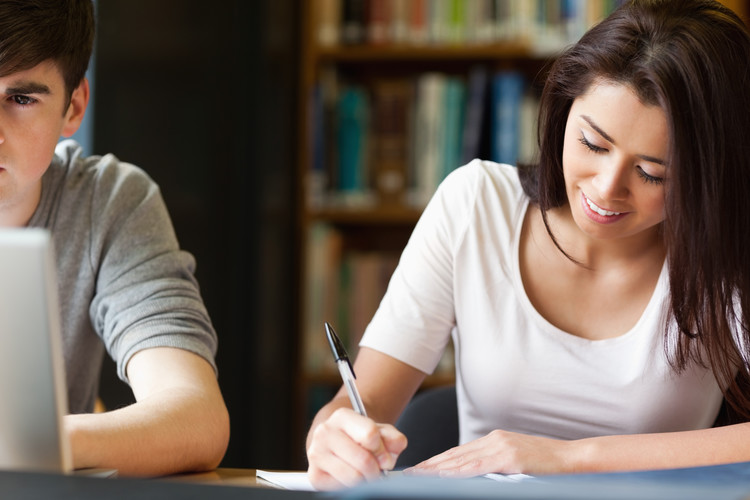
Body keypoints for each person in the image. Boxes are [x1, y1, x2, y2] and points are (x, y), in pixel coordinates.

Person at [305, 0, 750, 490]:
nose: (606, 189)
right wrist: (334, 439)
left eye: (651, 173)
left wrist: (570, 457)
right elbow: (358, 404)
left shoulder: (727, 252)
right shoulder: (476, 205)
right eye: (592, 145)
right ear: (563, 111)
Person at [0, 0, 229, 475]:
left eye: (20, 99)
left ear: (73, 107)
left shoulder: (107, 202)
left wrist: (41, 444)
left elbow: (196, 417)